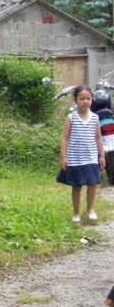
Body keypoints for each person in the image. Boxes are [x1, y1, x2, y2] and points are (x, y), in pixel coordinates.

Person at [56, 86, 105, 222]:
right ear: (75, 100)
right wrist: (64, 156)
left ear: (92, 100)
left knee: (92, 184)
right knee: (76, 186)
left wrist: (101, 155)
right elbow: (64, 138)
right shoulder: (71, 118)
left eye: (88, 98)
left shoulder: (95, 118)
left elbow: (98, 138)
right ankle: (76, 213)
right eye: (82, 98)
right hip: (75, 158)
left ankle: (90, 209)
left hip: (90, 158)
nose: (85, 101)